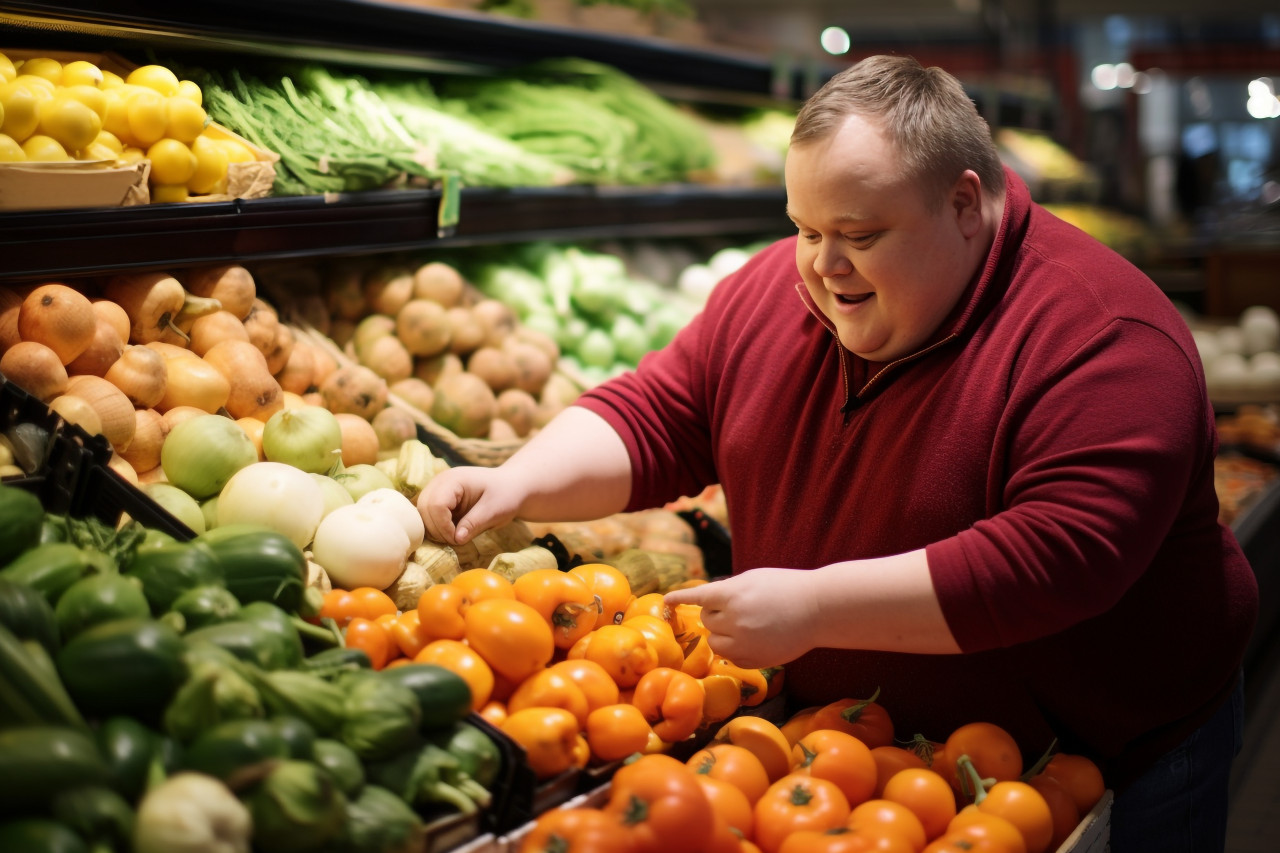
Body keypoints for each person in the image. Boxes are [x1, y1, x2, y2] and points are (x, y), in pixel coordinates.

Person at [418, 54, 1258, 852]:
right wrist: (518, 480)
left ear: (966, 205)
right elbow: (662, 413)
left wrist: (817, 608)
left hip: (1101, 757)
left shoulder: (1103, 336)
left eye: (859, 232)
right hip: (863, 759)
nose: (823, 266)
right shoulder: (773, 294)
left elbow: (1056, 558)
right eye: (804, 228)